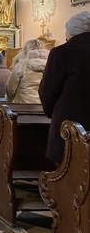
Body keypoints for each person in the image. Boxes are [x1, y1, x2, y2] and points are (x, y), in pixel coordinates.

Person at [40, 11, 90, 164]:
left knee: (68, 167)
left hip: (70, 121)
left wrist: (50, 111)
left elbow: (48, 88)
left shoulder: (62, 52)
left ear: (71, 32)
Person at [5, 39, 48, 103]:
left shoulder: (21, 66)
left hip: (22, 104)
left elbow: (10, 88)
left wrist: (9, 100)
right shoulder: (50, 66)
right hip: (42, 105)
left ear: (25, 50)